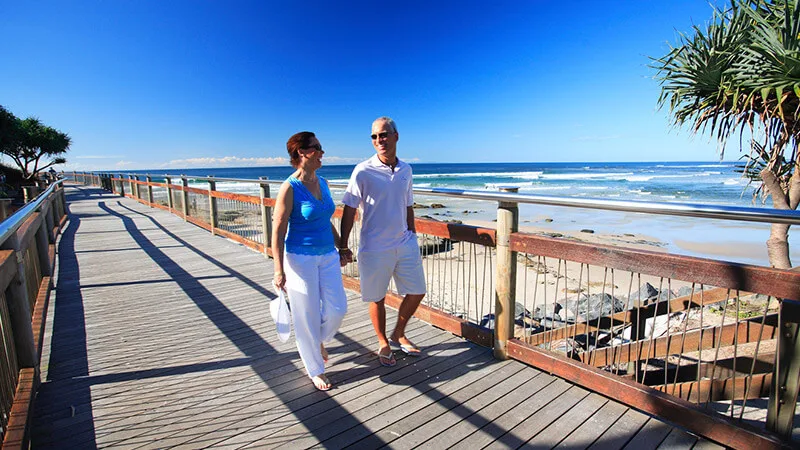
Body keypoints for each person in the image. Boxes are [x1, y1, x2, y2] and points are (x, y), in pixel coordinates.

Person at [339, 117, 426, 367]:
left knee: (418, 290)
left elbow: (408, 203)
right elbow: (349, 208)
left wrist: (412, 233)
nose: (380, 140)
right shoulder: (363, 170)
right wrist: (343, 245)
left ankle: (398, 333)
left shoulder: (406, 170)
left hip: (405, 242)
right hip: (374, 247)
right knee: (376, 297)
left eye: (384, 135)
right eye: (375, 136)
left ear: (396, 136)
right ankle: (382, 342)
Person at [272, 131, 348, 391]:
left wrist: (342, 246)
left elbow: (324, 220)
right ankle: (315, 369)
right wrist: (278, 269)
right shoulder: (289, 188)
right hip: (300, 258)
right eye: (317, 148)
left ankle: (317, 340)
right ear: (302, 153)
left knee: (338, 308)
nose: (322, 152)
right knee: (306, 315)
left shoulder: (323, 182)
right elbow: (278, 230)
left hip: (327, 255)